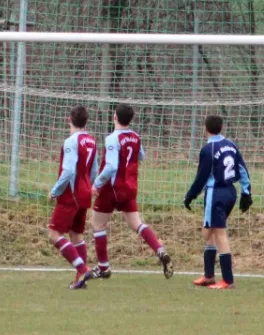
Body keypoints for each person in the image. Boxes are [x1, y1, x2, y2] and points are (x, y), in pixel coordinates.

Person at [91, 104, 173, 279]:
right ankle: (160, 250)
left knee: (98, 224)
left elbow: (111, 166)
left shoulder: (112, 138)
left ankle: (103, 267)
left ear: (115, 117)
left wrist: (97, 184)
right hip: (130, 187)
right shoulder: (136, 137)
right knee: (136, 223)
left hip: (112, 188)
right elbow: (141, 156)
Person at [185, 115, 252, 289]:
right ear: (221, 128)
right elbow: (242, 169)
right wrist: (246, 192)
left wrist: (191, 195)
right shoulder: (231, 145)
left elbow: (201, 177)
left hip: (215, 193)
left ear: (205, 128)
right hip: (230, 192)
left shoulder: (208, 148)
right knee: (209, 231)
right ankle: (208, 275)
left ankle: (228, 280)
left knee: (217, 234)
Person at [48, 106, 97, 289]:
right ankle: (80, 280)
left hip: (71, 193)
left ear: (69, 119)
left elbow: (68, 171)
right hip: (85, 193)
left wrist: (55, 191)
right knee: (76, 234)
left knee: (54, 234)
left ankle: (82, 269)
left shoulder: (71, 141)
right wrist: (89, 187)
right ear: (86, 121)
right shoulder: (91, 141)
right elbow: (94, 170)